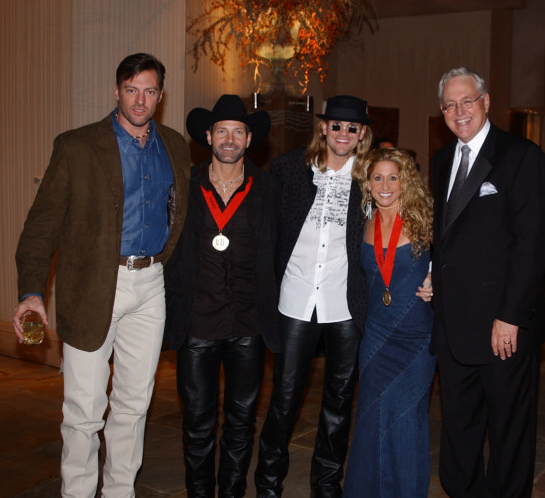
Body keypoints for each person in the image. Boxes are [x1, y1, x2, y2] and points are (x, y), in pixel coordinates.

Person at [12, 53, 191, 498]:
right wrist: (32, 292)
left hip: (150, 284)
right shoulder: (76, 146)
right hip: (94, 286)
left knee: (134, 405)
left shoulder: (174, 145)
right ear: (116, 91)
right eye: (131, 90)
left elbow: (177, 214)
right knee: (84, 411)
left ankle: (119, 492)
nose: (140, 100)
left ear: (161, 95)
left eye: (149, 91)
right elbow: (41, 226)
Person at [429, 67, 545, 498]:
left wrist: (510, 316)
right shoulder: (442, 160)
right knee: (459, 426)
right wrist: (432, 274)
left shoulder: (521, 156)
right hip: (453, 325)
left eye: (467, 101)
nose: (459, 111)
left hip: (503, 328)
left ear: (485, 102)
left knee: (508, 431)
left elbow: (532, 245)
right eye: (450, 105)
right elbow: (446, 237)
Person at [255, 95, 373, 498]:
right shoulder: (288, 169)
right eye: (336, 125)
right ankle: (268, 484)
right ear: (323, 127)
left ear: (362, 133)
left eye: (352, 127)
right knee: (284, 397)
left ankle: (326, 485)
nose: (343, 133)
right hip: (295, 297)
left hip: (346, 303)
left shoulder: (372, 178)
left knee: (339, 403)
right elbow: (267, 231)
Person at [163, 95, 279, 498]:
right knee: (197, 423)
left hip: (249, 325)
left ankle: (232, 492)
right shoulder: (184, 184)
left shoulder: (268, 188)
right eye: (222, 131)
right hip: (197, 323)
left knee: (241, 422)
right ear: (209, 136)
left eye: (238, 132)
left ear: (249, 139)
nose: (230, 139)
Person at [343, 148, 436, 498]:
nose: (385, 186)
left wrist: (438, 279)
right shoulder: (363, 221)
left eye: (393, 178)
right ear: (367, 183)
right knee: (371, 416)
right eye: (378, 178)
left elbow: (458, 258)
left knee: (405, 419)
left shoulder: (423, 219)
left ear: (405, 181)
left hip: (415, 338)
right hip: (376, 337)